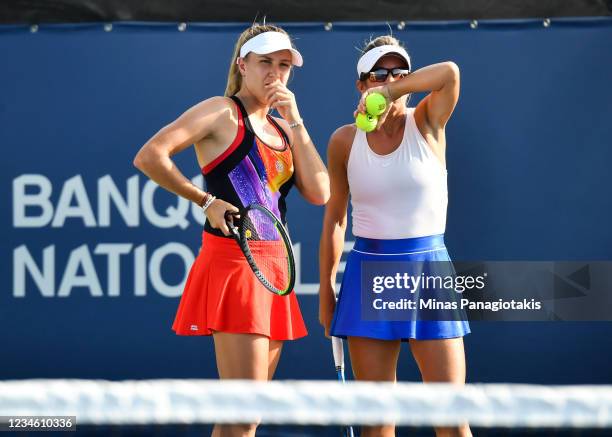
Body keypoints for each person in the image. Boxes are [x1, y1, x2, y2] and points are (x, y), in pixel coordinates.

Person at [134, 23, 329, 437]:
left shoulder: (282, 129)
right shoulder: (221, 111)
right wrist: (204, 201)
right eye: (265, 63)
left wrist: (295, 119)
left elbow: (320, 191)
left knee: (247, 416)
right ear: (242, 65)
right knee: (244, 414)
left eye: (283, 65)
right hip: (236, 266)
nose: (275, 73)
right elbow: (150, 156)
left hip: (275, 270)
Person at [319, 35, 471, 437]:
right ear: (360, 85)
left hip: (428, 270)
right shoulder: (342, 141)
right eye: (379, 73)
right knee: (377, 426)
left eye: (400, 72)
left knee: (451, 420)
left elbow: (449, 73)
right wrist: (325, 291)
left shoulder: (428, 120)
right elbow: (335, 219)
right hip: (369, 273)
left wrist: (390, 89)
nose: (392, 78)